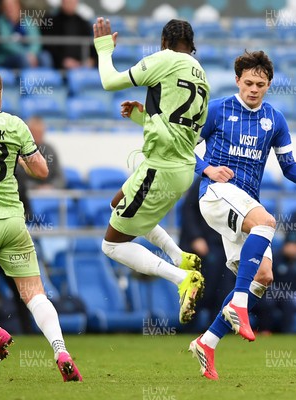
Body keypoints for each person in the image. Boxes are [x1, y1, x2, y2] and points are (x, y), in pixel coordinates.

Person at [188, 50, 296, 380]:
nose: (253, 89)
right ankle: (239, 304)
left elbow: (289, 167)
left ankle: (207, 341)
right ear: (237, 80)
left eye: (260, 84)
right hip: (215, 196)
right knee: (268, 222)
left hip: (244, 205)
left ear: (269, 84)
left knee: (265, 276)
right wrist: (208, 168)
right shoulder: (217, 110)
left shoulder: (275, 120)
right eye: (248, 82)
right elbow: (183, 149)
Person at [93, 18, 207, 325]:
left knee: (112, 245)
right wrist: (142, 118)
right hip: (181, 167)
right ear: (191, 44)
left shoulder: (164, 59)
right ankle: (178, 254)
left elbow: (109, 81)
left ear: (163, 42)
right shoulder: (201, 76)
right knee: (118, 202)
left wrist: (104, 49)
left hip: (160, 168)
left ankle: (181, 277)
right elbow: (181, 129)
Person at [0, 68, 81, 381]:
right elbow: (41, 170)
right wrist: (22, 158)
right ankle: (60, 349)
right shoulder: (15, 124)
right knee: (34, 294)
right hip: (13, 224)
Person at [179, 176, 234, 323]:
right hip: (206, 243)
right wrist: (196, 237)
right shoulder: (204, 181)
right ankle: (190, 324)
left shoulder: (235, 182)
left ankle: (217, 326)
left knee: (224, 287)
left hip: (225, 243)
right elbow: (188, 210)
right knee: (203, 288)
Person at [251, 230, 296, 333]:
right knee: (267, 303)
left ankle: (287, 333)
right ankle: (264, 332)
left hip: (292, 296)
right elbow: (265, 280)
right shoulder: (274, 260)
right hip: (270, 293)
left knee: (289, 303)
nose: (292, 248)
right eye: (290, 244)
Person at [0, 0, 52, 68]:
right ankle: (29, 78)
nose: (10, 8)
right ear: (3, 8)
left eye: (12, 5)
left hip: (30, 55)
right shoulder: (0, 22)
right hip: (7, 57)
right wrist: (26, 54)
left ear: (18, 6)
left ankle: (45, 78)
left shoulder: (27, 20)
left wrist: (32, 53)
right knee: (23, 59)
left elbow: (36, 41)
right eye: (6, 6)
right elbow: (6, 44)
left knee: (45, 56)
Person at [45, 0, 96, 69]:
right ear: (62, 2)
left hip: (82, 64)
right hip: (58, 65)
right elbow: (48, 45)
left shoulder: (83, 23)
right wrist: (62, 61)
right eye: (68, 2)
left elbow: (92, 45)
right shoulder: (51, 22)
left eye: (73, 2)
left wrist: (92, 60)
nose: (70, 4)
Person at [17, 116, 65, 190]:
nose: (38, 135)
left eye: (40, 132)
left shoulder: (50, 150)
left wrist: (51, 187)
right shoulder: (20, 151)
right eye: (35, 132)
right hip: (26, 193)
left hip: (50, 193)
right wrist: (35, 187)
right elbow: (17, 177)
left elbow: (60, 177)